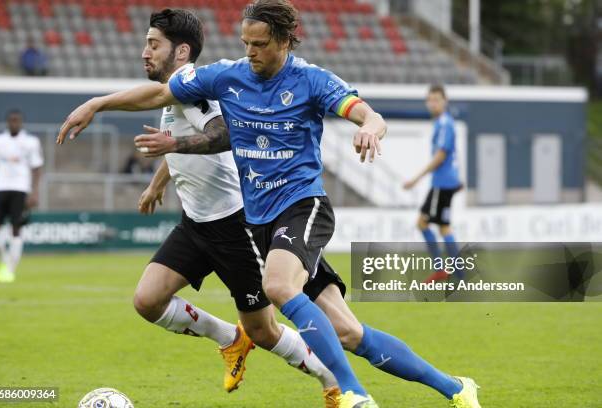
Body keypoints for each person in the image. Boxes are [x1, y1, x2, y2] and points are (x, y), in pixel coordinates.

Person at [57, 3, 481, 407]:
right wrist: (97, 103)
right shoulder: (227, 76)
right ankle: (456, 388)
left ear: (285, 41)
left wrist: (370, 128)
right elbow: (158, 95)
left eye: (259, 44)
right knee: (350, 333)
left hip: (302, 206)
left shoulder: (312, 80)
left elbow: (368, 114)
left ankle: (352, 393)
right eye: (245, 43)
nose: (250, 52)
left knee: (278, 288)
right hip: (260, 221)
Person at [84, 9, 343, 406]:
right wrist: (158, 182)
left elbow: (219, 133)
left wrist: (100, 107)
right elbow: (179, 143)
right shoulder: (177, 92)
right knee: (148, 300)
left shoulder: (197, 91)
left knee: (265, 330)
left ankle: (334, 381)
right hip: (196, 222)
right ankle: (229, 338)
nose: (145, 53)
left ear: (181, 51)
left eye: (153, 44)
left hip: (235, 224)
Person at [404, 85, 463, 283]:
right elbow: (452, 154)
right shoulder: (444, 123)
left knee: (425, 223)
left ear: (444, 101)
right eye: (430, 100)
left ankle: (445, 270)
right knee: (442, 226)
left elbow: (442, 155)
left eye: (436, 99)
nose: (433, 103)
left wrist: (416, 178)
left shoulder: (445, 124)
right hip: (447, 181)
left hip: (442, 182)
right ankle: (456, 273)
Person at [0, 109, 43, 282]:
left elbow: (36, 167)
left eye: (17, 120)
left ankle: (11, 268)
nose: (14, 123)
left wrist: (34, 192)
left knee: (16, 227)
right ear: (7, 122)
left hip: (20, 188)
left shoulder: (31, 142)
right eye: (11, 120)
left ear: (21, 122)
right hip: (0, 186)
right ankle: (5, 260)